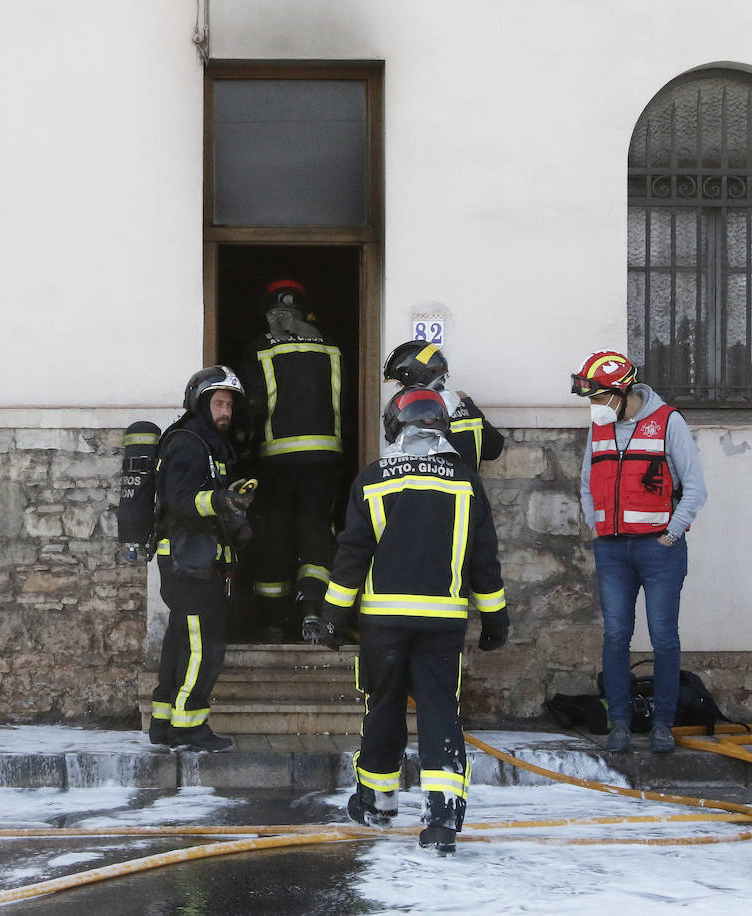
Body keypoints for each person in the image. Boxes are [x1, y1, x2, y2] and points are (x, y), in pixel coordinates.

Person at [305, 387, 508, 855]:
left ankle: (377, 803)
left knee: (384, 708)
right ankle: (441, 821)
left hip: (384, 622)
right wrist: (496, 622)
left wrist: (333, 617)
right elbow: (484, 561)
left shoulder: (373, 478)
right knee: (440, 713)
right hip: (443, 623)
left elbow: (352, 555)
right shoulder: (465, 480)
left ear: (394, 426)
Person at [571, 350, 706, 754]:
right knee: (615, 636)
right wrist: (597, 527)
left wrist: (671, 534)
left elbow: (695, 487)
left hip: (659, 551)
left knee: (664, 637)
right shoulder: (600, 428)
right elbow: (585, 484)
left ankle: (663, 724)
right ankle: (619, 724)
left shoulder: (668, 423)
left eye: (598, 397)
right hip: (612, 551)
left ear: (620, 392)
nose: (594, 406)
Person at [147, 366, 257, 753]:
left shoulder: (210, 443)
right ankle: (188, 727)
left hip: (198, 559)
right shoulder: (189, 442)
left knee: (180, 642)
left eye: (229, 404)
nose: (226, 411)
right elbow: (179, 501)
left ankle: (163, 722)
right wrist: (222, 500)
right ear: (200, 402)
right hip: (187, 561)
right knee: (202, 647)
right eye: (219, 403)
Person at [239, 279, 345, 641]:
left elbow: (251, 407)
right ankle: (313, 609)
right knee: (317, 529)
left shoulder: (259, 347)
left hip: (277, 460)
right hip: (325, 457)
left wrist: (243, 454)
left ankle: (271, 619)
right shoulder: (330, 344)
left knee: (277, 532)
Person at [383, 340, 504, 472]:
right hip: (468, 490)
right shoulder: (469, 408)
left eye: (401, 384)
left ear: (418, 381)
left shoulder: (417, 417)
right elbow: (494, 450)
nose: (399, 389)